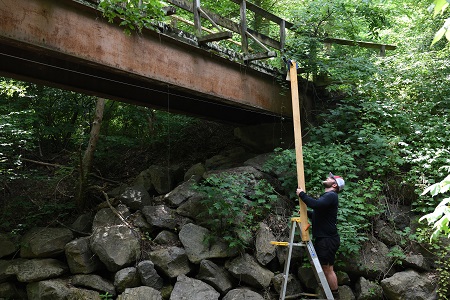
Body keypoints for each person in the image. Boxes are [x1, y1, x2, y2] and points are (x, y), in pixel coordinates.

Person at [296, 172, 344, 299]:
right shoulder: (328, 197)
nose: (327, 178)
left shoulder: (331, 195)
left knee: (328, 270)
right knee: (327, 269)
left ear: (334, 184)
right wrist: (306, 213)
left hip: (327, 240)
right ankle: (332, 295)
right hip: (325, 239)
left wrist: (302, 194)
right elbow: (318, 214)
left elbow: (316, 205)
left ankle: (335, 296)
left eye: (330, 178)